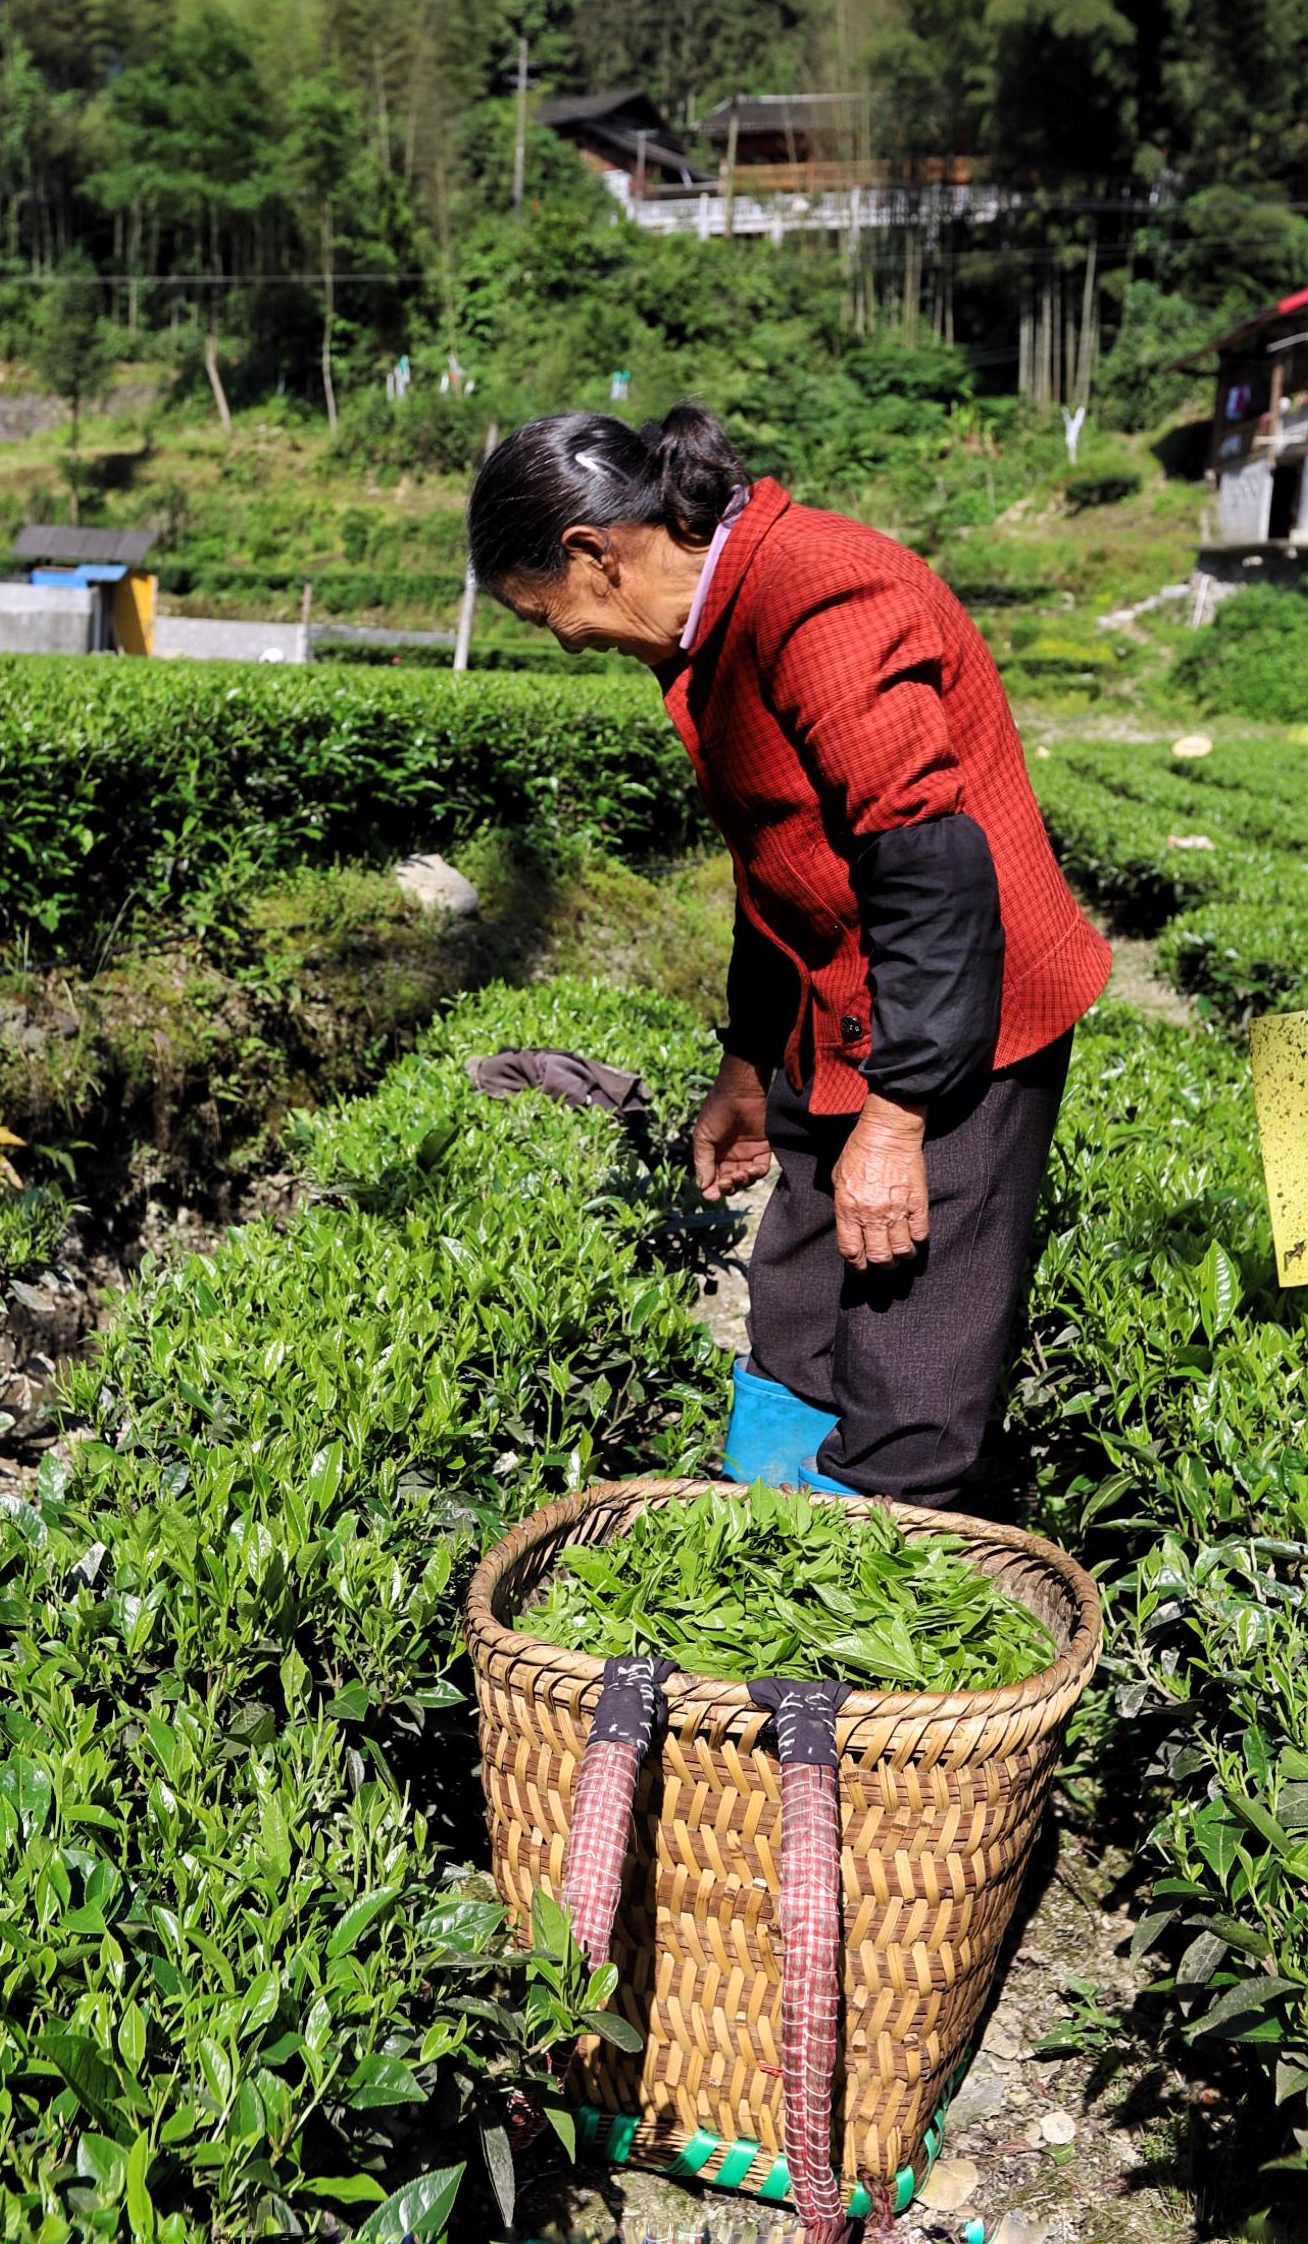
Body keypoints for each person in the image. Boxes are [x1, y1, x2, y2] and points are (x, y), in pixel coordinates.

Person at [467, 405, 1110, 1510]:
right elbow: (779, 867)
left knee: (908, 1359)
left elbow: (928, 871)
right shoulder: (708, 631)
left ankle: (873, 1634)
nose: (566, 641)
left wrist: (900, 1118)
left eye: (548, 615)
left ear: (594, 552)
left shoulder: (816, 593)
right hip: (842, 1008)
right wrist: (748, 1068)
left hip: (959, 1019)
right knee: (800, 1310)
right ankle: (763, 1550)